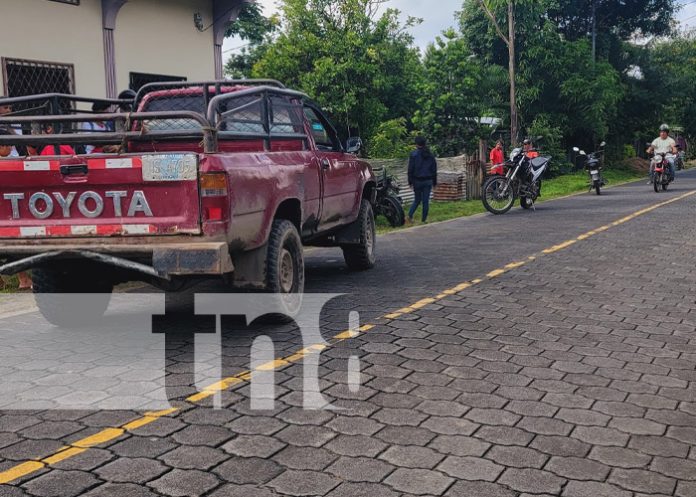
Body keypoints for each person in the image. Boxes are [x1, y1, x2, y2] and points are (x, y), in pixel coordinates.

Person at [407, 136, 438, 224]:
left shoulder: (413, 154)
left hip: (417, 181)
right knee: (425, 201)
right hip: (428, 181)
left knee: (417, 199)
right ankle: (424, 220)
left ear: (416, 144)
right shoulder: (430, 155)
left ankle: (409, 215)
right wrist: (434, 182)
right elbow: (434, 170)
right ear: (425, 143)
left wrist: (410, 181)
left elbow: (410, 169)